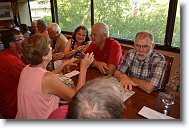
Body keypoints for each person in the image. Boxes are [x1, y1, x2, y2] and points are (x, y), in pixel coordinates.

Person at [16, 33, 94, 119]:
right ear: (44, 57)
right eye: (49, 47)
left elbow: (43, 80)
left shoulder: (26, 68)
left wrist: (63, 65)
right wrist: (84, 68)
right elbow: (77, 97)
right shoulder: (48, 78)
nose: (51, 49)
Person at [0, 29, 26, 119]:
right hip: (14, 107)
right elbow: (34, 79)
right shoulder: (11, 60)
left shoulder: (5, 54)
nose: (25, 41)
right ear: (12, 44)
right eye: (21, 39)